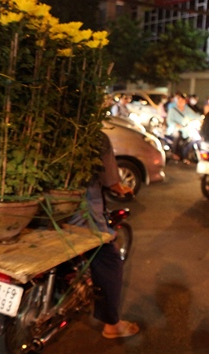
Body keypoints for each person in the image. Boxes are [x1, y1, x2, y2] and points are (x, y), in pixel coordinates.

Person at [69, 132, 139, 339]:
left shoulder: (39, 124)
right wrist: (119, 187)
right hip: (79, 214)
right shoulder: (93, 135)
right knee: (109, 259)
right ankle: (112, 325)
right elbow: (110, 180)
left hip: (36, 213)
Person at [166, 92, 198, 161]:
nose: (181, 102)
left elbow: (195, 116)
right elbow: (169, 121)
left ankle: (186, 155)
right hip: (175, 129)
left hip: (186, 129)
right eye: (179, 101)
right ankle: (174, 153)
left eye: (183, 101)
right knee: (177, 135)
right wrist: (176, 125)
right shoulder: (172, 110)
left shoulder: (187, 110)